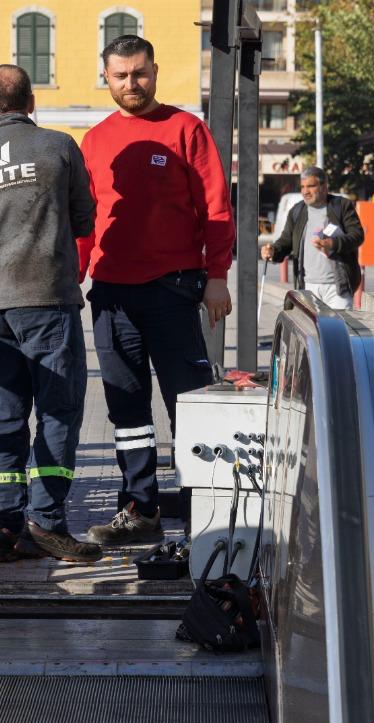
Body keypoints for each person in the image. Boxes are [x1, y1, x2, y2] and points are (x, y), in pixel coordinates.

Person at [77, 34, 234, 547]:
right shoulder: (94, 140)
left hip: (174, 289)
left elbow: (215, 207)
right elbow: (87, 222)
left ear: (156, 71)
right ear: (106, 78)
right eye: (120, 76)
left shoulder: (187, 129)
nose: (131, 84)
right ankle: (140, 509)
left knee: (186, 404)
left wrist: (217, 276)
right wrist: (72, 279)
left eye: (139, 73)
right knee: (127, 410)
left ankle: (199, 510)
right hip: (111, 294)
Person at [0, 65, 100, 564]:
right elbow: (83, 218)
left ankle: (5, 526)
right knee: (59, 409)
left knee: (4, 417)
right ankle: (47, 522)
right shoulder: (58, 147)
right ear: (32, 102)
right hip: (46, 298)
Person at [262, 165, 364, 309]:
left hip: (338, 288)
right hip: (307, 288)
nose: (305, 191)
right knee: (311, 331)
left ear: (324, 186)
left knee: (338, 331)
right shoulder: (297, 211)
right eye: (302, 187)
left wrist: (333, 244)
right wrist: (273, 251)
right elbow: (286, 241)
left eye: (310, 186)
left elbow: (357, 235)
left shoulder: (341, 206)